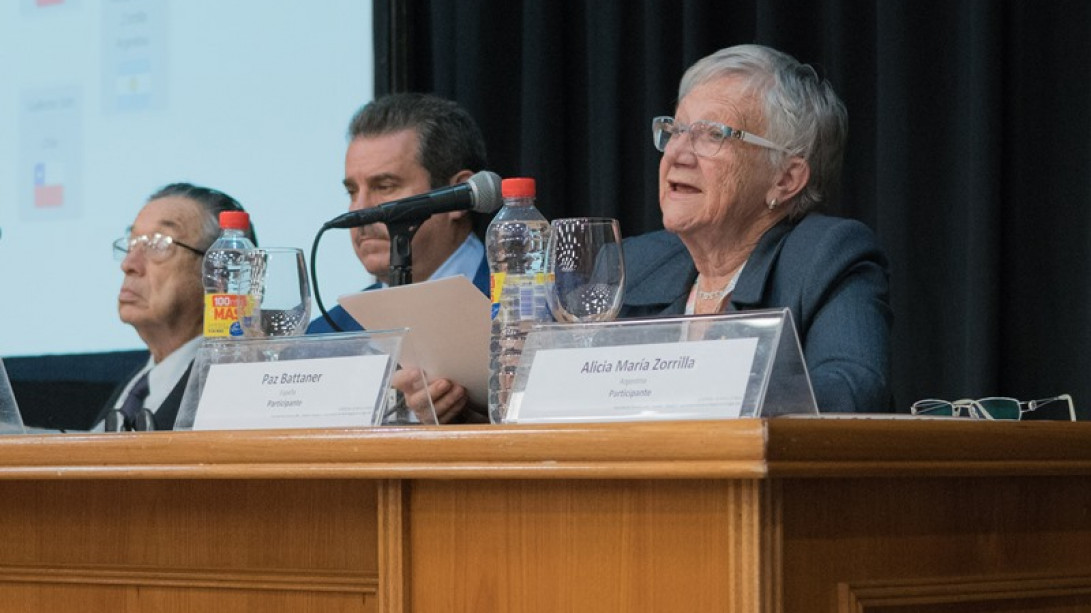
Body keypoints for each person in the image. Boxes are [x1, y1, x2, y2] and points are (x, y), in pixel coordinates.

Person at [621, 44, 892, 412]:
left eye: (713, 135)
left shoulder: (826, 258)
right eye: (677, 129)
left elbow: (852, 393)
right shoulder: (632, 265)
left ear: (785, 177)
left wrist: (701, 398)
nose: (677, 154)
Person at [306, 92, 490, 423]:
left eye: (385, 186)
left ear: (460, 197)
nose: (360, 210)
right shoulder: (322, 337)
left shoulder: (535, 310)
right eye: (352, 191)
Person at [92, 183, 256, 431]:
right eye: (132, 242)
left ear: (220, 273)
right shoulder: (134, 387)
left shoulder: (234, 386)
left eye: (159, 244)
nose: (129, 264)